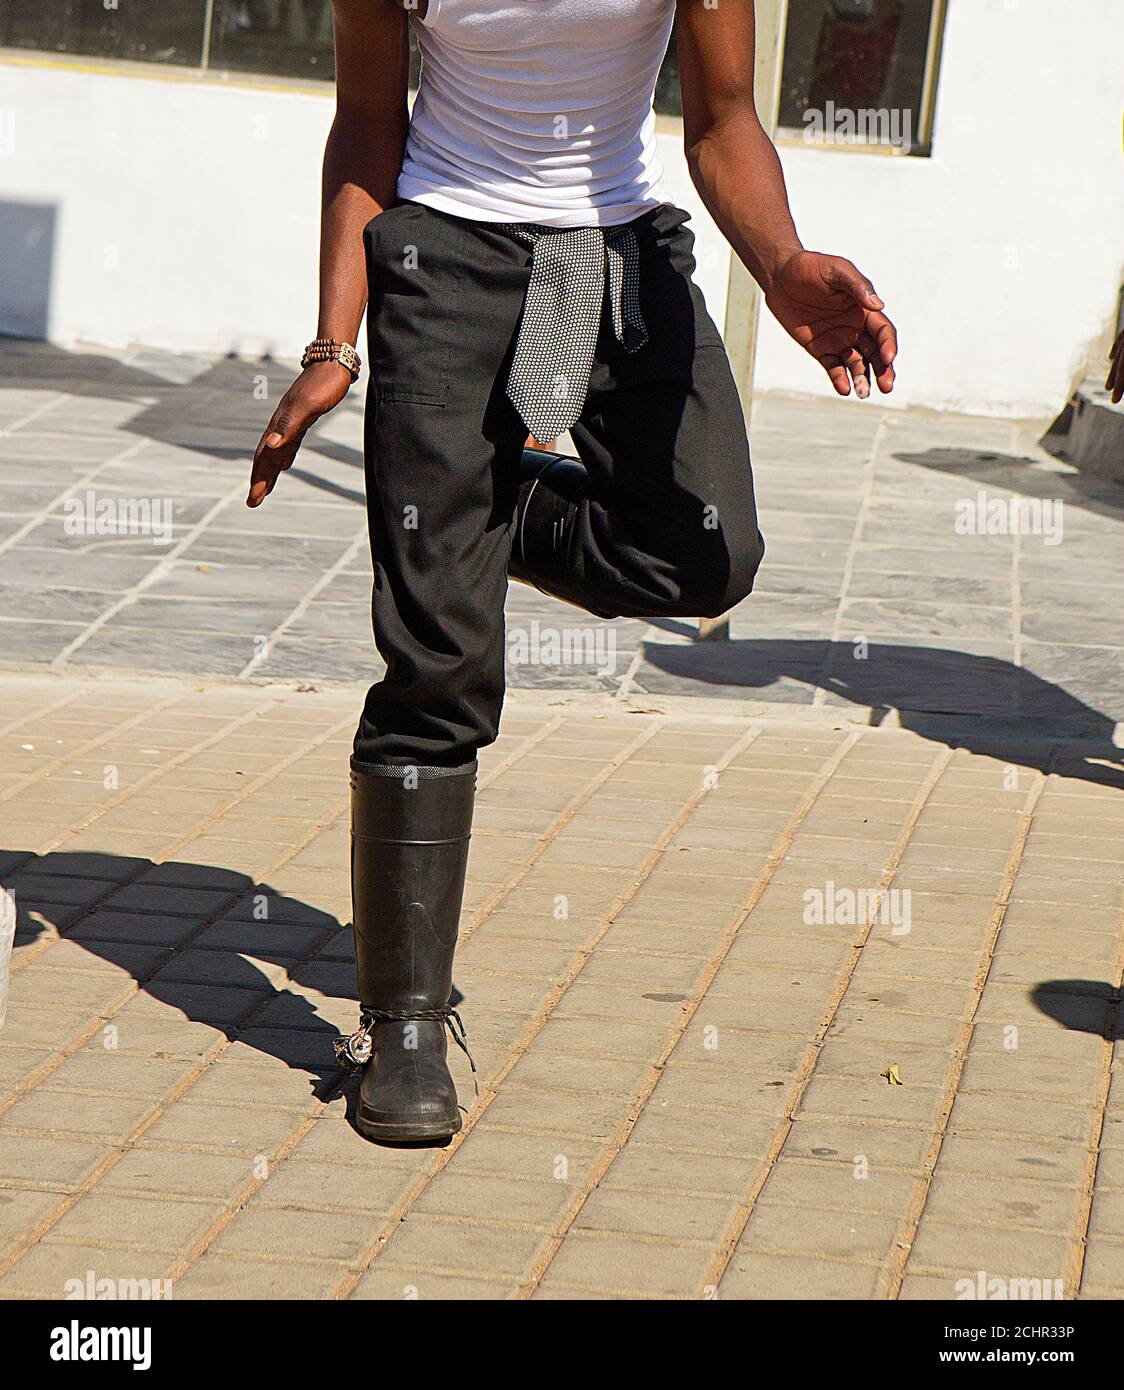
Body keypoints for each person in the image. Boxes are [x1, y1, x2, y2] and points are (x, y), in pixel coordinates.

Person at [247, 0, 898, 1143]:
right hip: (444, 254)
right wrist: (332, 344)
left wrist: (784, 266)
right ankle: (403, 1024)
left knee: (704, 549)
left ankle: (472, 520)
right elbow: (364, 123)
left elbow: (723, 116)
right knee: (437, 657)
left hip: (619, 252)